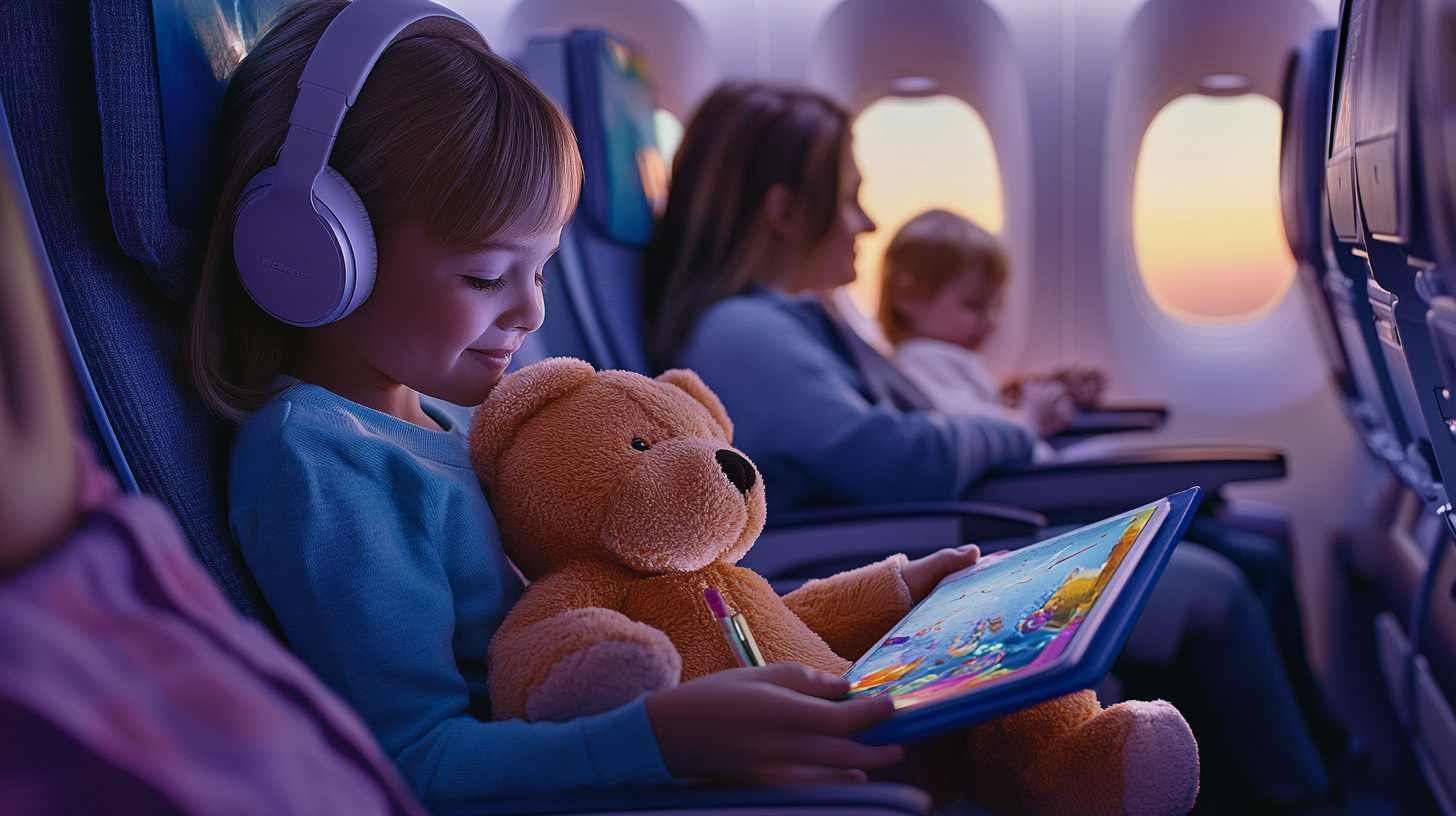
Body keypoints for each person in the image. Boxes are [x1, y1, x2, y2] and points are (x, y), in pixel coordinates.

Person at [181, 3, 984, 810]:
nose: (530, 314)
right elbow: (410, 761)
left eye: (542, 271)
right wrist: (665, 741)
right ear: (320, 251)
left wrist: (885, 603)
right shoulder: (324, 465)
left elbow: (646, 596)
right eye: (486, 275)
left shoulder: (463, 426)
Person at [642, 81, 1335, 811]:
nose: (866, 221)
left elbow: (904, 429)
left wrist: (1005, 407)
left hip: (917, 530)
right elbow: (895, 458)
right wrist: (1019, 427)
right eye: (849, 198)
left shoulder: (797, 320)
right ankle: (1304, 801)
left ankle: (1312, 779)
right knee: (1222, 583)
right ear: (784, 210)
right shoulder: (744, 332)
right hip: (868, 560)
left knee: (1244, 554)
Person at [876, 209, 1089, 441]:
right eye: (974, 305)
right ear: (908, 296)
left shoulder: (944, 358)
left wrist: (1020, 396)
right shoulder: (921, 360)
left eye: (997, 306)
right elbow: (965, 427)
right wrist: (1030, 416)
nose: (991, 320)